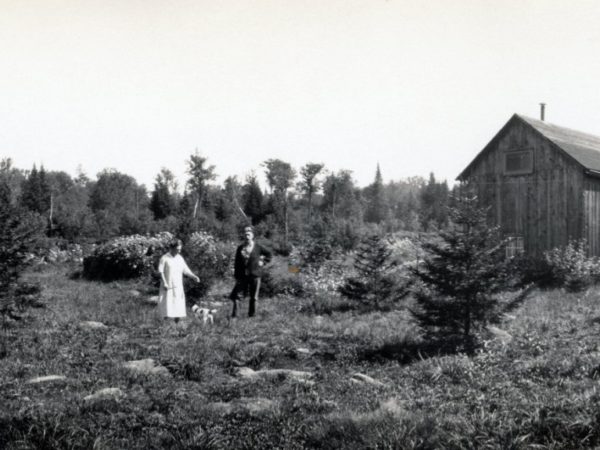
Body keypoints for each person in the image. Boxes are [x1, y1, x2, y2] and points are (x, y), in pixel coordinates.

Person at [229, 226, 272, 318]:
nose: (246, 235)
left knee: (254, 297)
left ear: (252, 235)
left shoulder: (258, 247)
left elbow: (269, 254)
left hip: (255, 275)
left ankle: (252, 316)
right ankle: (235, 316)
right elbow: (236, 262)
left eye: (249, 233)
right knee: (238, 296)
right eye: (245, 233)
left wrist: (263, 262)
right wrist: (236, 275)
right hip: (242, 276)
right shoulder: (240, 248)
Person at [157, 239, 200, 321]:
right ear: (172, 248)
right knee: (167, 304)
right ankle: (164, 324)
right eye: (177, 249)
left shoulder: (180, 258)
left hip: (178, 285)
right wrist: (165, 282)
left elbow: (186, 270)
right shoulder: (165, 258)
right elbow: (161, 271)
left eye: (180, 249)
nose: (179, 251)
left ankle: (177, 324)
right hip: (167, 285)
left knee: (177, 304)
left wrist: (194, 276)